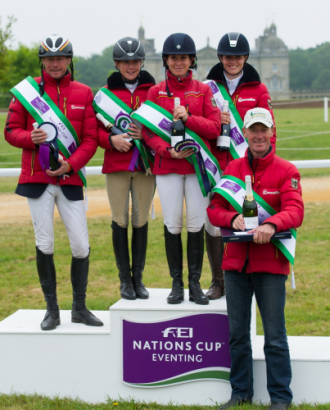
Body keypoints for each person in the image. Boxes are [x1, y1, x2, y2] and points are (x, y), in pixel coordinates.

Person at [207, 108, 304, 410]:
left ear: (272, 132)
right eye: (253, 130)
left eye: (264, 130)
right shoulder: (233, 169)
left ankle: (280, 398)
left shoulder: (287, 171)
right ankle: (240, 394)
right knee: (237, 335)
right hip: (235, 265)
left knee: (274, 335)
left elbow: (295, 210)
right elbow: (214, 209)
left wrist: (272, 223)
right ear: (245, 133)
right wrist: (232, 216)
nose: (259, 136)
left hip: (270, 265)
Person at [4, 35, 103, 330]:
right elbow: (11, 131)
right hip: (37, 179)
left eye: (60, 58)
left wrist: (70, 165)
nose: (55, 63)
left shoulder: (84, 92)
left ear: (69, 60)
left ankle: (80, 308)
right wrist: (28, 138)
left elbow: (90, 139)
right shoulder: (26, 92)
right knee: (44, 243)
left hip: (70, 178)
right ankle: (52, 310)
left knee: (81, 246)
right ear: (42, 62)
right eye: (49, 59)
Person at [143, 33, 221, 305]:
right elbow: (148, 133)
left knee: (196, 223)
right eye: (174, 57)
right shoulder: (155, 92)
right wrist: (167, 151)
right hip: (168, 167)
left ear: (192, 61)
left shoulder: (203, 90)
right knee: (173, 224)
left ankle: (195, 284)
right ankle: (176, 284)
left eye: (183, 58)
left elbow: (214, 128)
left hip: (197, 167)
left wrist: (189, 118)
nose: (179, 62)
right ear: (166, 60)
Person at [204, 32, 277, 301]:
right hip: (214, 163)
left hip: (247, 166)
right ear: (220, 57)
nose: (232, 61)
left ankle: (248, 275)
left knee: (248, 219)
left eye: (237, 56)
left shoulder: (258, 89)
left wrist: (267, 167)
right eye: (227, 56)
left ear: (245, 57)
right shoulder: (207, 87)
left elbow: (270, 132)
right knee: (215, 222)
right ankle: (218, 280)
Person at [95, 37, 156, 300]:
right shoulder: (103, 94)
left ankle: (138, 279)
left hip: (145, 165)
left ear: (141, 62)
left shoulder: (154, 90)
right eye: (125, 62)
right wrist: (110, 139)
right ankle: (124, 281)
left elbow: (162, 127)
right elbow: (92, 130)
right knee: (119, 220)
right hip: (117, 164)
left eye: (135, 61)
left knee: (140, 219)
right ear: (117, 63)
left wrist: (147, 136)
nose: (130, 66)